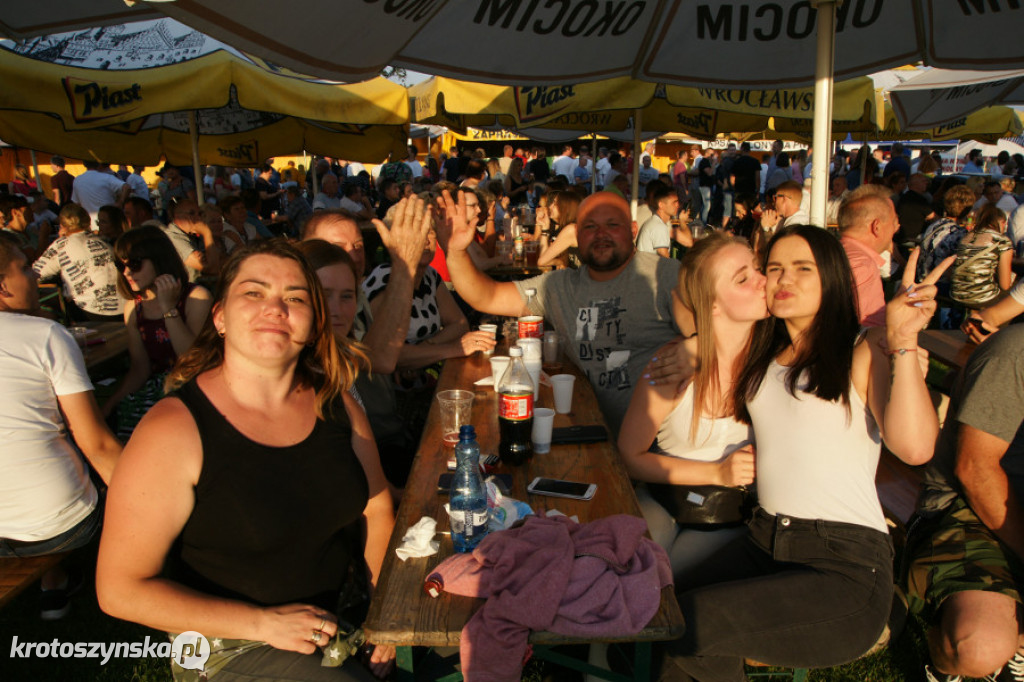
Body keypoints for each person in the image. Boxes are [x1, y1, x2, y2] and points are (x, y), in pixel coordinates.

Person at [656, 226, 951, 681]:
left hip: (843, 562)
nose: (784, 279)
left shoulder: (863, 348)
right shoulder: (763, 351)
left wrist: (904, 341)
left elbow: (914, 448)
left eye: (802, 268)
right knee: (664, 611)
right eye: (774, 268)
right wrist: (694, 345)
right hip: (765, 540)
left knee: (690, 628)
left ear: (831, 278)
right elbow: (691, 302)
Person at [96, 240, 397, 681]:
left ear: (314, 323)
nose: (275, 308)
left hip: (338, 619)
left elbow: (377, 506)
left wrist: (384, 607)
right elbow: (119, 590)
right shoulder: (173, 430)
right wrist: (263, 624)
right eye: (254, 292)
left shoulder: (337, 405)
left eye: (295, 298)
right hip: (230, 644)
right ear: (220, 317)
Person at [440, 190, 690, 436]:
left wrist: (696, 347)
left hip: (659, 440)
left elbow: (712, 330)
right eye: (590, 227)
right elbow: (487, 296)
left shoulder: (666, 275)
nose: (601, 234)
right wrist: (456, 253)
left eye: (612, 224)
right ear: (576, 235)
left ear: (633, 230)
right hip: (589, 430)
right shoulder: (559, 286)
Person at [619, 233, 760, 578]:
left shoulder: (777, 361)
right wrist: (718, 473)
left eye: (759, 268)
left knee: (664, 580)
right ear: (712, 305)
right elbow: (629, 456)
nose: (763, 280)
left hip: (732, 513)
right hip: (664, 498)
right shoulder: (672, 365)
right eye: (743, 278)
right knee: (635, 568)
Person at [0, 233, 121, 620]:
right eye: (24, 268)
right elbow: (96, 443)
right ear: (2, 286)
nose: (36, 276)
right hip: (59, 526)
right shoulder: (44, 336)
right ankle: (55, 580)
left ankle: (53, 583)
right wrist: (143, 505)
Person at [906, 324, 1024, 682]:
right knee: (978, 645)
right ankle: (945, 664)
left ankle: (1018, 647)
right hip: (968, 511)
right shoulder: (1015, 353)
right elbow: (975, 471)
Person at [101, 226, 213, 438]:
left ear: (159, 260)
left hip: (195, 388)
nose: (127, 272)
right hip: (157, 392)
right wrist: (110, 405)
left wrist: (168, 309)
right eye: (121, 265)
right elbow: (140, 368)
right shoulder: (134, 307)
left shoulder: (196, 298)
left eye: (135, 264)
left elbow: (191, 359)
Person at [361, 210, 494, 381]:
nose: (425, 240)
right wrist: (455, 349)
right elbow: (388, 353)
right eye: (417, 234)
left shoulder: (429, 275)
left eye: (430, 232)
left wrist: (425, 349)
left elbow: (460, 324)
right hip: (392, 387)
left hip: (427, 376)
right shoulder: (386, 278)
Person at [33, 203, 124, 320]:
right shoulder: (102, 242)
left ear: (62, 225)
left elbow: (36, 273)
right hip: (123, 308)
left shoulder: (61, 244)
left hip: (90, 311)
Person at [838, 186, 901, 328]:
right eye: (894, 222)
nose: (896, 228)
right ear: (876, 227)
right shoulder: (863, 265)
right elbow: (872, 329)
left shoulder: (831, 253)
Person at [950, 203, 1014, 309]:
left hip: (956, 295)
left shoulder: (966, 237)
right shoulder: (1002, 241)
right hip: (982, 298)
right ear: (1001, 222)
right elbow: (1005, 285)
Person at [72, 161, 130, 230]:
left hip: (90, 224)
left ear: (84, 164)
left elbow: (77, 204)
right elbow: (127, 187)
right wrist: (120, 203)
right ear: (99, 163)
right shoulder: (106, 177)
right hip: (109, 222)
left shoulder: (77, 180)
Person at [536, 190, 582, 268]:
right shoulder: (568, 227)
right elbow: (544, 260)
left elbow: (542, 261)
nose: (550, 207)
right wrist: (545, 227)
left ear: (566, 208)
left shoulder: (571, 230)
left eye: (555, 204)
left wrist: (559, 262)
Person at [636, 185, 680, 258]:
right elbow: (664, 258)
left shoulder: (656, 222)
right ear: (661, 205)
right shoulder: (659, 227)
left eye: (677, 202)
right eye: (674, 202)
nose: (677, 205)